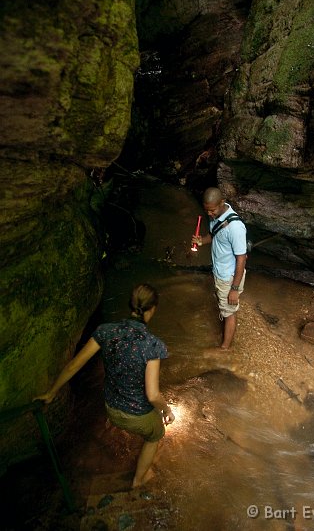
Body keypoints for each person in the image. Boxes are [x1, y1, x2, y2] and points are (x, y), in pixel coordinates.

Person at [35, 283, 175, 488]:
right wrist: (167, 411)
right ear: (153, 309)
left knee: (140, 422)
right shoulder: (152, 345)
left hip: (111, 408)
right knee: (156, 434)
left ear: (130, 305)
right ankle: (139, 479)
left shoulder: (106, 331)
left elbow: (74, 365)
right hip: (137, 415)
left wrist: (51, 393)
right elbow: (153, 395)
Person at [191, 187, 247, 349]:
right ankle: (225, 332)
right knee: (226, 307)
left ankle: (224, 349)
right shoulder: (217, 215)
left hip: (229, 277)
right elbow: (214, 235)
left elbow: (241, 258)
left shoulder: (236, 228)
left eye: (212, 210)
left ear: (222, 203)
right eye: (207, 210)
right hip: (220, 272)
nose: (209, 214)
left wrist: (234, 288)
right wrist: (202, 241)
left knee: (229, 313)